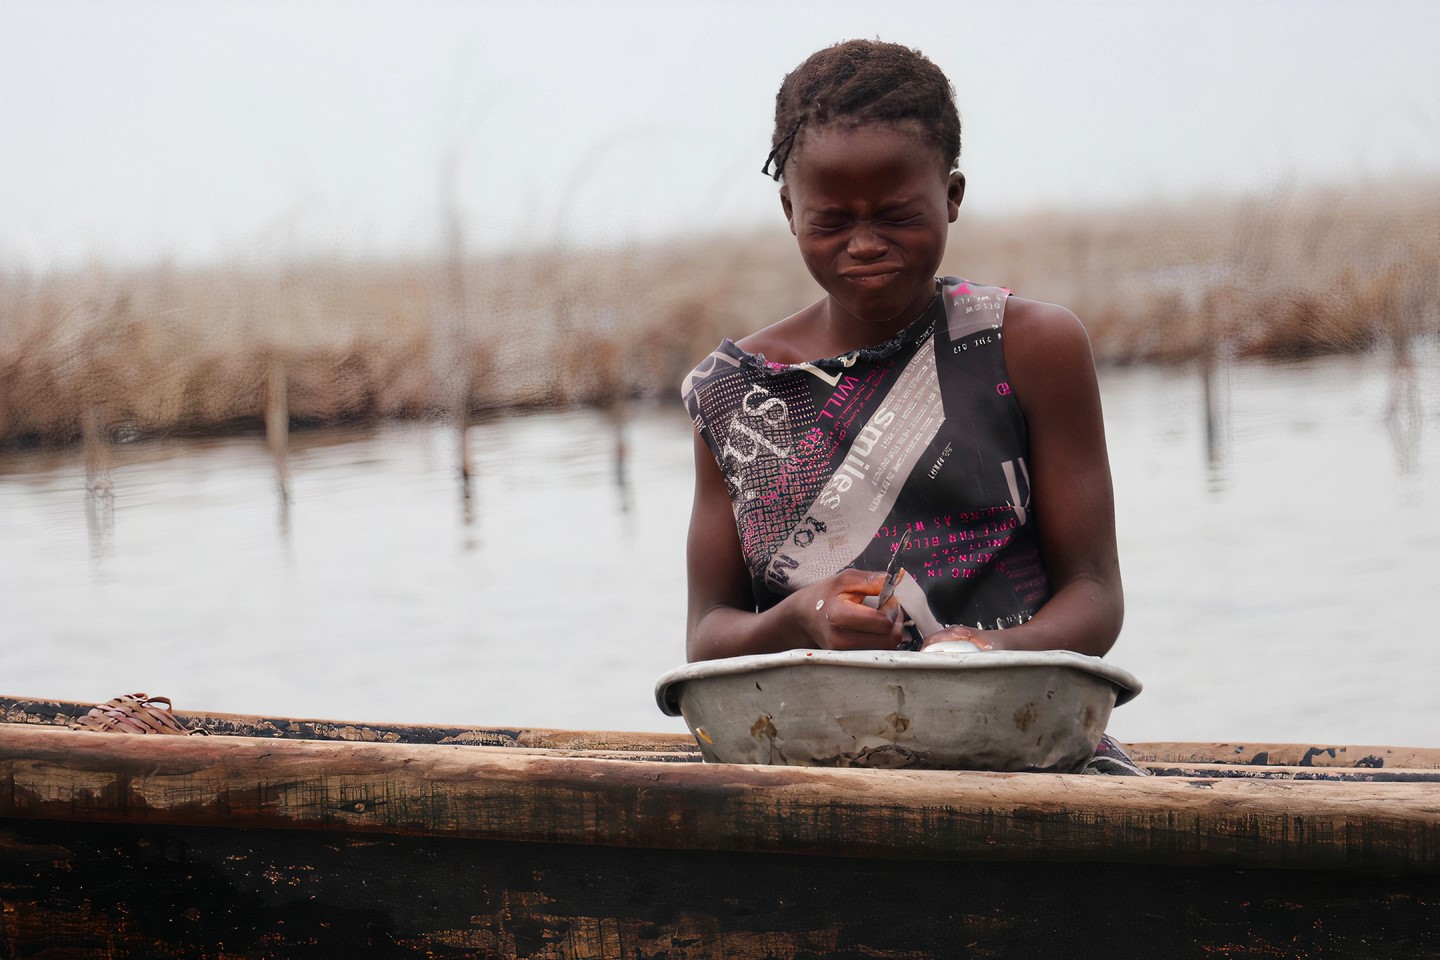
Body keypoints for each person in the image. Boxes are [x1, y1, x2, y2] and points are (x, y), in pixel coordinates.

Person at [682, 39, 1123, 669]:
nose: (865, 244)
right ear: (789, 210)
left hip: (1015, 732)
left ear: (951, 197)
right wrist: (802, 617)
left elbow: (1096, 593)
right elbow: (706, 635)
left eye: (896, 215)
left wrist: (986, 652)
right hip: (809, 744)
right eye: (832, 221)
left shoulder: (1029, 347)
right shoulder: (735, 393)